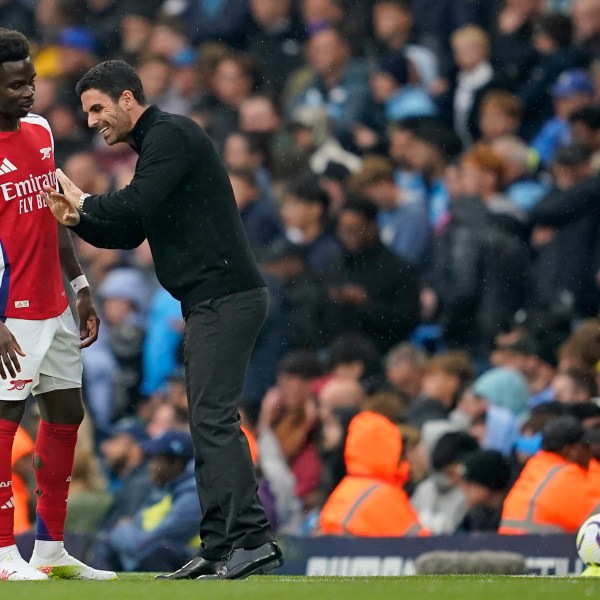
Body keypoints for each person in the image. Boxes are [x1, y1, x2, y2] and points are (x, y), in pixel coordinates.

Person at [44, 59, 282, 580]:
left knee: (215, 419)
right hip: (210, 301)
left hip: (225, 297)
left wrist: (84, 201)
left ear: (129, 98)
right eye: (86, 112)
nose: (91, 122)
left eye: (98, 108)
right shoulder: (159, 148)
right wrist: (78, 217)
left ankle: (253, 539)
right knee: (205, 421)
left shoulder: (171, 134)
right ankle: (220, 545)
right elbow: (129, 231)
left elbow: (134, 204)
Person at [0, 28, 114, 581]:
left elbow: (54, 212)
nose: (29, 92)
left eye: (31, 81)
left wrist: (81, 286)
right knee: (5, 423)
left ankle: (50, 550)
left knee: (67, 412)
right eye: (16, 83)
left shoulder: (41, 132)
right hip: (10, 311)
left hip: (54, 303)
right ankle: (2, 556)